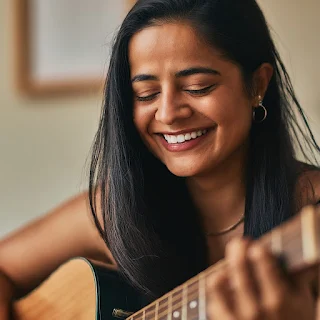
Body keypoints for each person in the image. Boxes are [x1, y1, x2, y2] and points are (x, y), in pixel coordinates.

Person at [1, 0, 320, 318]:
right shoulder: (117, 210)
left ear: (257, 85)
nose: (168, 113)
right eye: (146, 94)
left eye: (198, 87)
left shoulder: (308, 208)